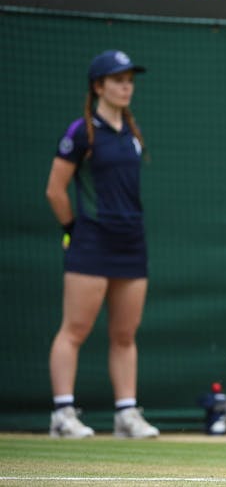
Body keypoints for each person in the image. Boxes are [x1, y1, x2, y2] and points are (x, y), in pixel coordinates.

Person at [44, 50, 160, 439]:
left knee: (125, 335)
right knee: (74, 329)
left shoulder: (133, 133)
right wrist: (73, 229)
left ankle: (126, 414)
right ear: (98, 86)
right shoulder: (80, 132)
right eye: (117, 80)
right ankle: (63, 415)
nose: (126, 86)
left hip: (131, 244)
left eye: (129, 79)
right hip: (91, 242)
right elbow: (55, 191)